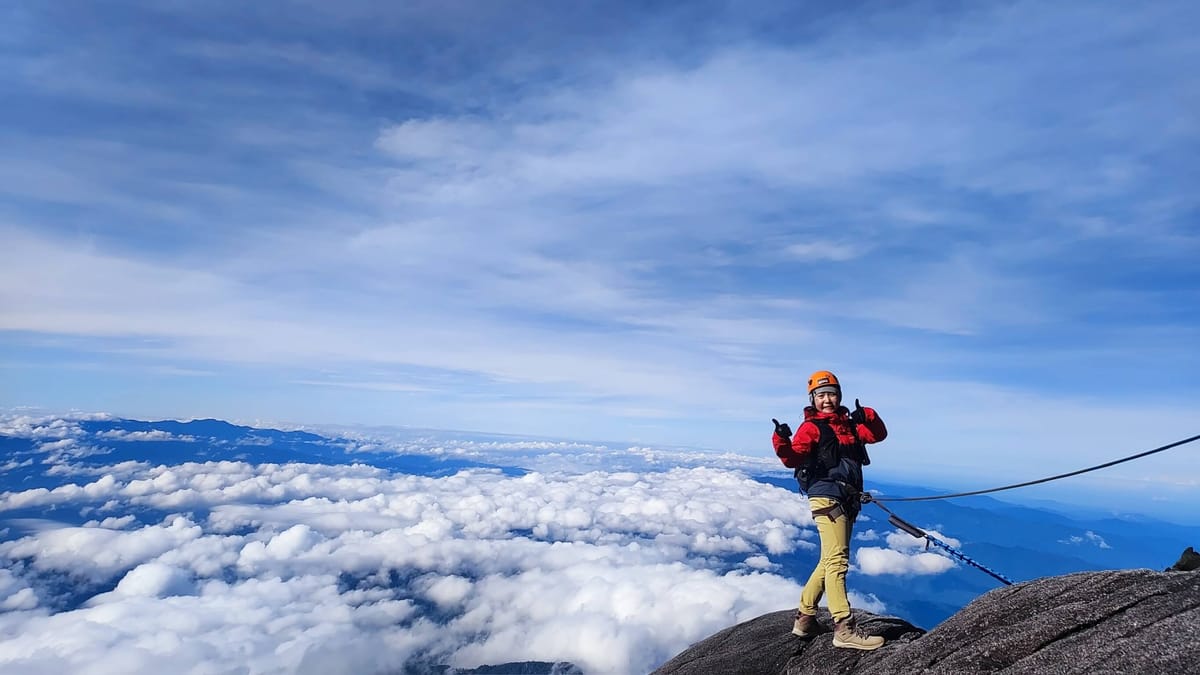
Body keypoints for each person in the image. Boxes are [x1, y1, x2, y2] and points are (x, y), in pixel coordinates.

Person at [771, 369, 887, 650]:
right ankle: (844, 628)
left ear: (839, 396)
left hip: (845, 498)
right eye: (821, 395)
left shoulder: (849, 426)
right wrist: (781, 440)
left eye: (831, 394)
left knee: (829, 560)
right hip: (826, 497)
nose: (827, 400)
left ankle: (805, 619)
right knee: (838, 562)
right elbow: (792, 458)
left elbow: (878, 435)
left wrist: (867, 415)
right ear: (812, 399)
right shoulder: (811, 428)